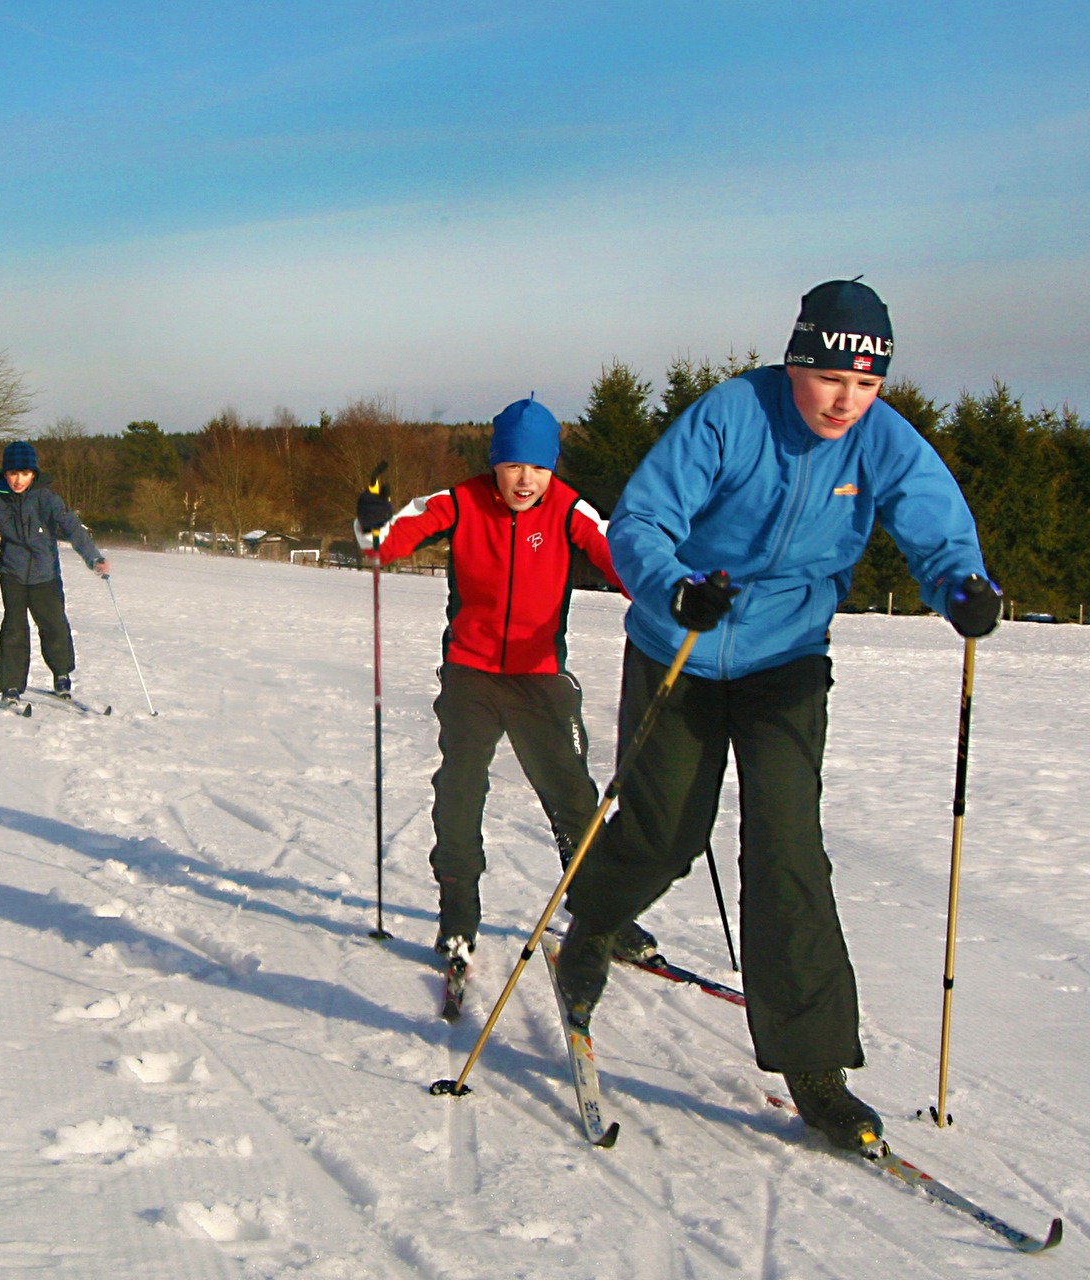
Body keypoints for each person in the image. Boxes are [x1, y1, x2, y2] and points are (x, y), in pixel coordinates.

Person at [554, 279, 1000, 1151]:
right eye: (832, 377)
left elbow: (934, 526)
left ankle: (815, 1066)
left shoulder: (880, 441)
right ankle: (595, 925)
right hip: (683, 638)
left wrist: (962, 587)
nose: (847, 400)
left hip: (786, 658)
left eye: (866, 384)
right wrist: (675, 588)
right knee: (663, 834)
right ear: (797, 361)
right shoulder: (731, 415)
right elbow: (643, 517)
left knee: (789, 844)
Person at [354, 397, 653, 1014]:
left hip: (540, 678)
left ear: (552, 468)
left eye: (537, 468)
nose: (525, 479)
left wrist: (678, 592)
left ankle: (603, 917)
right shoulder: (460, 502)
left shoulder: (570, 508)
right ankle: (457, 919)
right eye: (513, 465)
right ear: (495, 464)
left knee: (574, 801)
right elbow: (383, 548)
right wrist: (371, 520)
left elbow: (625, 560)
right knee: (459, 794)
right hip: (471, 676)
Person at [0, 441, 107, 708]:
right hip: (12, 571)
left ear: (33, 474)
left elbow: (72, 528)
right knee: (14, 626)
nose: (18, 480)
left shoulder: (47, 498)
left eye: (24, 474)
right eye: (13, 474)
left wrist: (93, 557)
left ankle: (61, 674)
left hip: (45, 573)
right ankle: (11, 685)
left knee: (54, 624)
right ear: (5, 474)